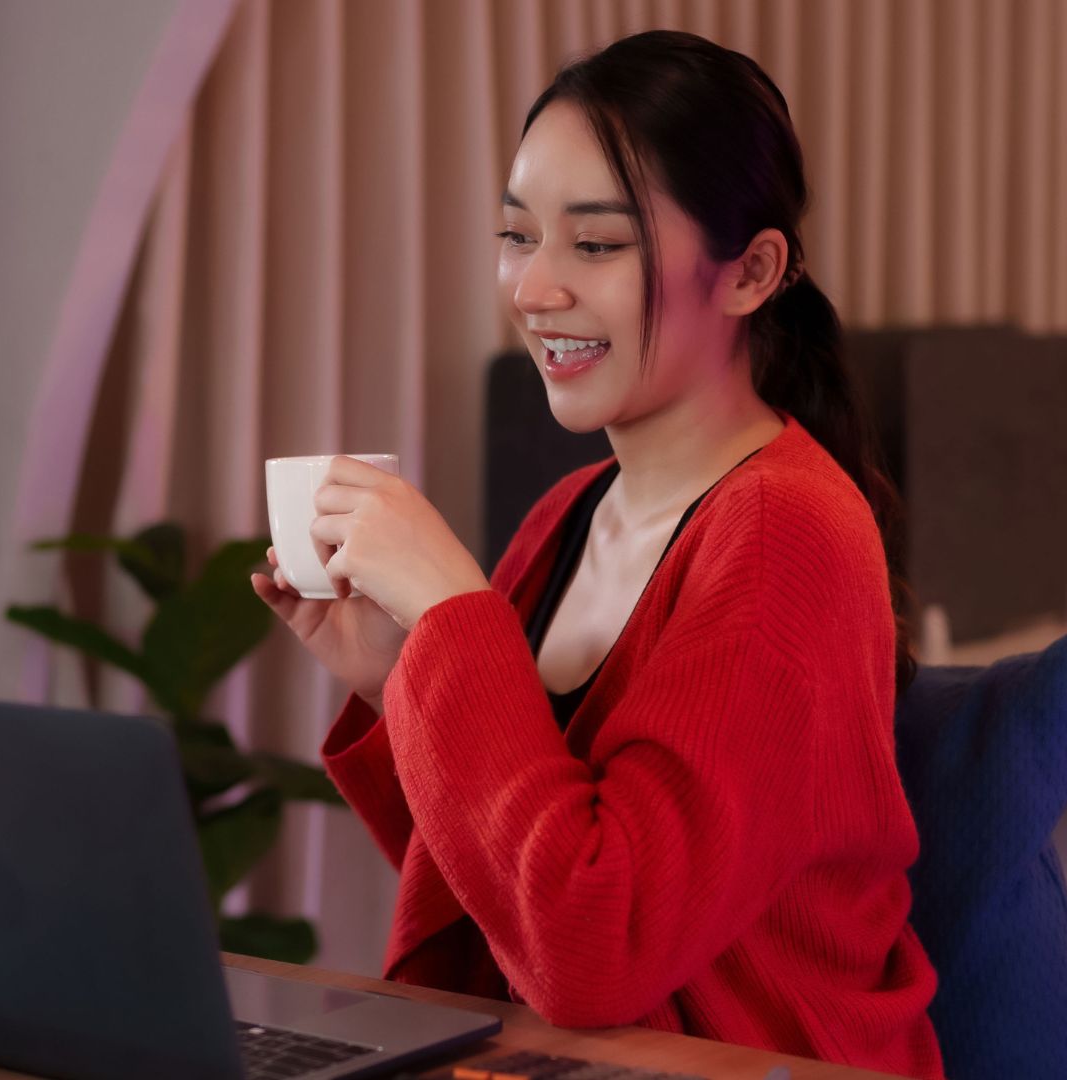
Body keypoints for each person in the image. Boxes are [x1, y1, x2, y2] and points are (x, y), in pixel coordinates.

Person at [250, 30, 943, 1080]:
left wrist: (455, 615)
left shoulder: (783, 534)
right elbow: (500, 900)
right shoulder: (570, 512)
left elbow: (594, 947)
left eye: (598, 245)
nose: (534, 289)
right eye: (517, 236)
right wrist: (400, 680)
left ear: (751, 272)